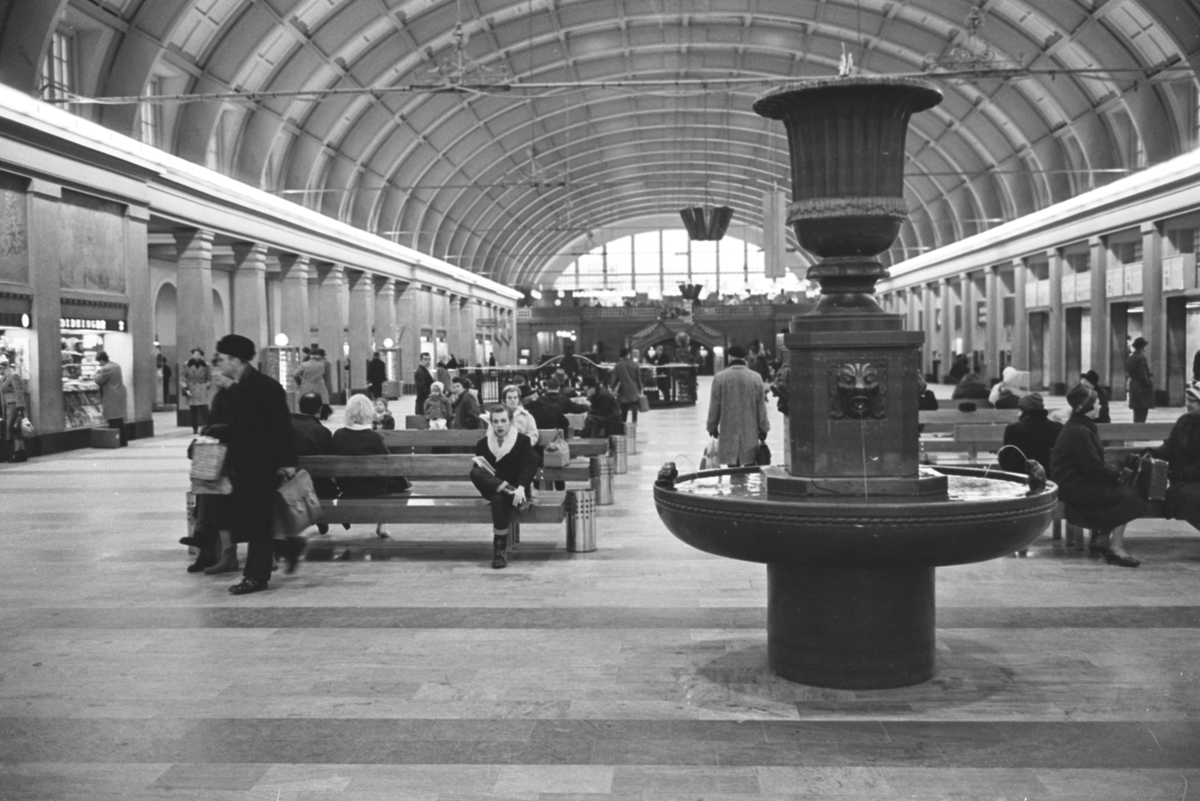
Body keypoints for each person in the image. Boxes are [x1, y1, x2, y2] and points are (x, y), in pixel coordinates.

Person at [209, 334, 298, 594]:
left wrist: (288, 463)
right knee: (253, 520)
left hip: (262, 464)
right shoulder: (238, 387)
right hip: (244, 465)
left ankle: (256, 576)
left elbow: (282, 427)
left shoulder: (264, 387)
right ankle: (287, 547)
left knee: (258, 522)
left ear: (236, 360)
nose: (220, 363)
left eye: (223, 359)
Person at [1051, 383, 1144, 568]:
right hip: (1073, 488)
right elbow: (1094, 468)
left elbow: (1093, 465)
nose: (1100, 406)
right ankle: (1116, 548)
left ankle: (1102, 539)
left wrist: (1117, 471)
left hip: (1076, 482)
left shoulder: (1080, 427)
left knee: (1123, 492)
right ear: (1086, 407)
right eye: (1097, 403)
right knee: (1126, 496)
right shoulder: (1078, 431)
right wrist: (1119, 473)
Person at [471, 405, 539, 569]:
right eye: (495, 422)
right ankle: (508, 490)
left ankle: (499, 550)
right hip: (494, 487)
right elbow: (480, 472)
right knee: (475, 472)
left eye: (503, 421)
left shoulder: (522, 441)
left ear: (511, 422)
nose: (499, 425)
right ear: (491, 423)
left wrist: (521, 487)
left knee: (498, 499)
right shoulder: (483, 443)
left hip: (518, 489)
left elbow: (529, 466)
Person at [188, 367, 239, 575]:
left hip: (236, 464)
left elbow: (243, 428)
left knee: (212, 494)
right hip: (221, 459)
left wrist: (216, 430)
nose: (215, 377)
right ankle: (206, 544)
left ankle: (206, 543)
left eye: (219, 374)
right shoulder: (220, 396)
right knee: (206, 488)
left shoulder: (239, 396)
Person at [333, 393, 406, 539]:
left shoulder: (338, 435)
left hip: (347, 486)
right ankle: (382, 522)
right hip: (375, 487)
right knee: (398, 481)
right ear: (369, 413)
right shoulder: (375, 437)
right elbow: (388, 463)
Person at [707, 346, 769, 467]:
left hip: (728, 430)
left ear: (730, 358)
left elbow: (714, 406)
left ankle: (735, 479)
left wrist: (712, 427)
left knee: (733, 466)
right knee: (750, 464)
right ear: (744, 358)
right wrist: (764, 428)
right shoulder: (755, 377)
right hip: (750, 430)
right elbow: (761, 407)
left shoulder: (720, 378)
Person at [998, 393, 1062, 478]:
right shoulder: (1057, 428)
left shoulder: (1014, 429)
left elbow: (1006, 459)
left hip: (1021, 477)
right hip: (1050, 477)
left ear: (1023, 410)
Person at [92, 351, 128, 446]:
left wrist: (95, 374)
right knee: (119, 419)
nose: (99, 364)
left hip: (111, 395)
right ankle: (123, 441)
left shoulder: (106, 368)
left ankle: (115, 441)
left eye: (99, 362)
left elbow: (97, 380)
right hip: (119, 394)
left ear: (102, 360)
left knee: (112, 419)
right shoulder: (116, 366)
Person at [611, 347, 643, 424]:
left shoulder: (618, 365)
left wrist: (612, 387)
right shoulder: (635, 364)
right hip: (634, 389)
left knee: (624, 407)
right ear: (628, 354)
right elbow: (638, 378)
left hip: (623, 389)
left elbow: (615, 378)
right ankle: (634, 422)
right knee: (634, 405)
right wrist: (640, 388)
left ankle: (623, 422)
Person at [183, 348, 211, 434]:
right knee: (193, 411)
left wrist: (207, 385)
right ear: (192, 355)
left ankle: (207, 426)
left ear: (201, 356)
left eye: (198, 354)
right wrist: (185, 387)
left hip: (202, 388)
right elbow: (182, 378)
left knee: (204, 410)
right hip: (192, 389)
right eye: (195, 354)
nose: (196, 355)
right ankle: (195, 428)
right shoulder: (186, 364)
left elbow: (209, 378)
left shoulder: (206, 365)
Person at [1127, 336, 1154, 423]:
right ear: (1142, 347)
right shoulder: (1141, 358)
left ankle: (1136, 430)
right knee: (1142, 413)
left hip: (1133, 386)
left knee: (1136, 414)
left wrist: (1147, 374)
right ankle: (1140, 431)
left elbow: (1134, 371)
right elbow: (1142, 375)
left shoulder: (1131, 357)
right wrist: (1149, 383)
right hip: (1141, 388)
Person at [1, 357, 27, 447]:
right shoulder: (5, 377)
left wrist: (20, 407)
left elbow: (19, 391)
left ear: (3, 368)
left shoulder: (13, 375)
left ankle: (18, 451)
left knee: (15, 427)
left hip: (14, 406)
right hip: (8, 405)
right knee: (15, 428)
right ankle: (20, 451)